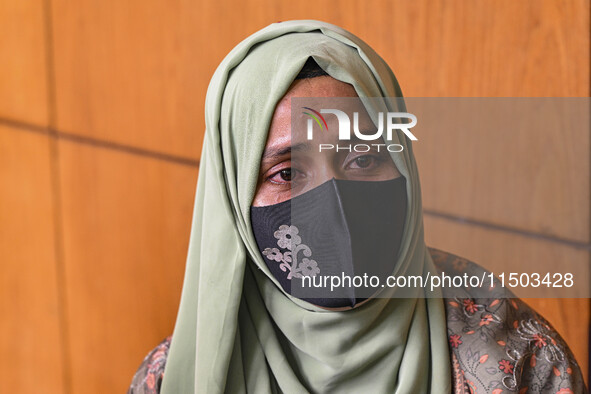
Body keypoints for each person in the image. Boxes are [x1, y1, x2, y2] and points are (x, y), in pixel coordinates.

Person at [128, 20, 587, 394]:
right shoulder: (174, 380)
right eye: (287, 173)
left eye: (364, 158)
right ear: (233, 198)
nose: (335, 205)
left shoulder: (515, 360)